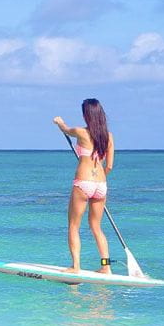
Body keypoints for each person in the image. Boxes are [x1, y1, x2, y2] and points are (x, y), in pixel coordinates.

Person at [53, 99, 115, 274]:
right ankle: (106, 266)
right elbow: (109, 166)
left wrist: (59, 121)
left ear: (87, 115)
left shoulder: (81, 132)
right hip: (101, 185)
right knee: (96, 227)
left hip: (83, 183)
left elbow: (65, 129)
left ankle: (76, 266)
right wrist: (98, 178)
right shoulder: (109, 137)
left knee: (73, 225)